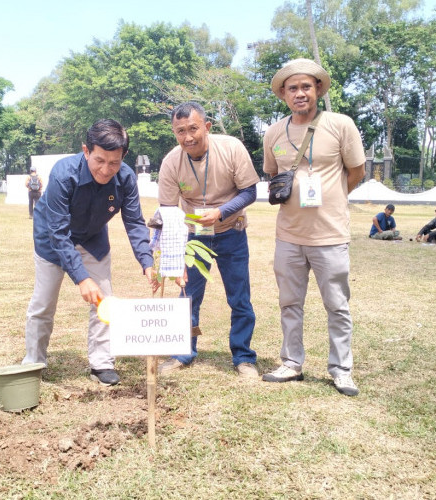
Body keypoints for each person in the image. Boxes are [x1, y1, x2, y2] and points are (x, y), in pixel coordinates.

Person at [22, 119, 157, 386]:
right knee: (43, 304)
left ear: (124, 156)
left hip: (94, 240)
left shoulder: (126, 178)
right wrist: (82, 278)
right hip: (52, 241)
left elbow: (134, 221)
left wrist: (146, 259)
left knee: (104, 301)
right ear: (86, 150)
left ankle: (101, 362)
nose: (106, 170)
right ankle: (34, 362)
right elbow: (59, 234)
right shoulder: (63, 174)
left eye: (114, 162)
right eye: (99, 160)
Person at [261, 59, 366, 396]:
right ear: (283, 95)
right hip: (288, 235)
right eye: (292, 88)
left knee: (337, 305)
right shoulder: (274, 132)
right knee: (290, 303)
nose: (300, 93)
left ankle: (341, 370)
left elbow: (356, 172)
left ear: (318, 89)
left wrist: (333, 198)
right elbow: (272, 174)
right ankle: (291, 364)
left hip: (330, 234)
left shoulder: (340, 125)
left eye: (306, 86)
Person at [157, 102, 260, 379]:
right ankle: (183, 351)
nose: (188, 137)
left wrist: (221, 212)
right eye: (180, 131)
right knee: (188, 298)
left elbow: (250, 191)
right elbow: (168, 213)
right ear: (174, 132)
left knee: (239, 298)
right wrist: (173, 255)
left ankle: (243, 357)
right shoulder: (171, 162)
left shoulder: (231, 148)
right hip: (195, 237)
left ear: (206, 126)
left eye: (193, 128)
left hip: (232, 231)